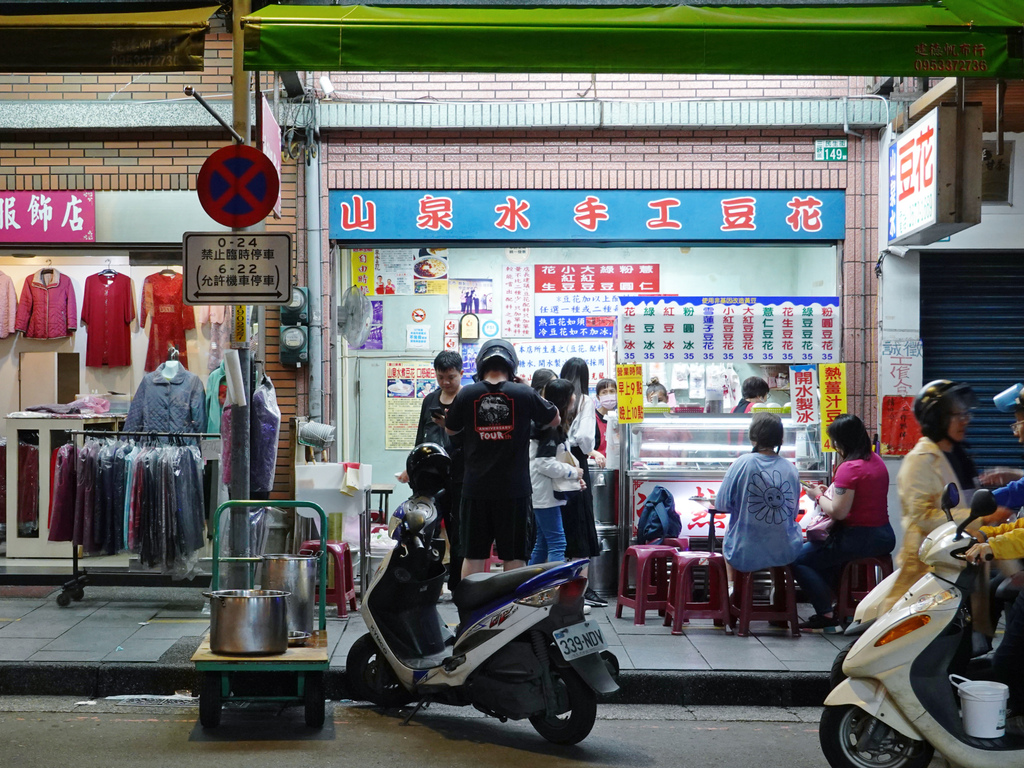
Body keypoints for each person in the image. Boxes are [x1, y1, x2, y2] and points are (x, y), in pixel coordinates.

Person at [446, 339, 558, 577]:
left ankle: (471, 611)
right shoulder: (524, 392)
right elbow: (554, 419)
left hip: (476, 488)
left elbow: (450, 430)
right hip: (514, 489)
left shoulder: (468, 393)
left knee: (474, 555)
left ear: (480, 365)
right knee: (514, 555)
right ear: (512, 366)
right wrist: (529, 389)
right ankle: (512, 613)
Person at [881, 380, 981, 614]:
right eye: (956, 415)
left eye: (965, 414)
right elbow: (923, 516)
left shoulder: (959, 455)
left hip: (962, 560)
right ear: (937, 419)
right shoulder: (920, 459)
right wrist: (980, 519)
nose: (965, 420)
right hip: (929, 566)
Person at [793, 414, 896, 632]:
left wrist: (816, 496)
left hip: (858, 538)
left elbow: (839, 512)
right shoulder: (875, 461)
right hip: (884, 536)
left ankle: (826, 613)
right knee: (825, 558)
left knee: (798, 559)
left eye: (835, 441)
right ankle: (843, 606)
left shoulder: (850, 468)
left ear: (842, 442)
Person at [396, 350, 465, 592]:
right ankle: (426, 580)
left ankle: (456, 582)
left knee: (457, 533)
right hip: (427, 480)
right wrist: (409, 469)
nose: (446, 382)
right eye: (441, 377)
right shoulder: (430, 400)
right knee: (424, 530)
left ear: (461, 374)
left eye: (451, 377)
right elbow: (419, 437)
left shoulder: (467, 400)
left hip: (458, 477)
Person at [718, 412, 803, 577]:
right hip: (786, 550)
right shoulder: (791, 468)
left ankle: (732, 588)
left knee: (731, 529)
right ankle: (776, 589)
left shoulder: (742, 463)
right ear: (780, 439)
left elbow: (721, 504)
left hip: (744, 552)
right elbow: (792, 513)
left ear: (753, 437)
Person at [559, 357, 606, 607]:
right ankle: (580, 589)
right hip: (576, 461)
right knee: (581, 523)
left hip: (555, 461)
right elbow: (587, 440)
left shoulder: (552, 397)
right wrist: (589, 450)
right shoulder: (585, 401)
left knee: (557, 526)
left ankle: (555, 586)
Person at [529, 378, 582, 565]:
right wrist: (573, 472)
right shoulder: (550, 427)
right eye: (572, 394)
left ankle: (526, 588)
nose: (575, 397)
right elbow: (544, 463)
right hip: (545, 493)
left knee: (542, 544)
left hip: (544, 492)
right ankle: (554, 589)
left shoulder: (547, 424)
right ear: (566, 399)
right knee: (558, 543)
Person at [594, 377, 619, 465]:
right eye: (604, 392)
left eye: (612, 391)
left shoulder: (620, 417)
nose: (608, 395)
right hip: (598, 466)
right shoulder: (593, 418)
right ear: (598, 397)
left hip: (618, 466)